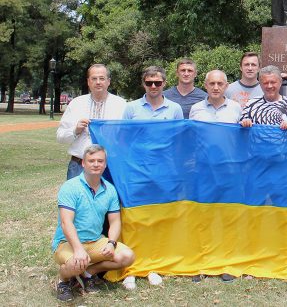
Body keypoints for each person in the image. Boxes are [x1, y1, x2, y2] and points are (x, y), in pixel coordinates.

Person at [121, 66, 182, 288]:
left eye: (157, 82)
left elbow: (177, 142)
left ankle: (154, 265)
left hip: (164, 173)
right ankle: (131, 266)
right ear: (143, 84)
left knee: (158, 219)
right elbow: (123, 141)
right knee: (134, 219)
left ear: (164, 83)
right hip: (137, 172)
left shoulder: (174, 109)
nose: (153, 86)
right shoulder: (131, 108)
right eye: (149, 83)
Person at [52, 145, 135, 301]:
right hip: (67, 243)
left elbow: (115, 221)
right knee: (78, 262)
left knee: (127, 256)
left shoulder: (110, 190)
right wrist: (77, 249)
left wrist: (111, 243)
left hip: (96, 241)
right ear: (83, 163)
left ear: (105, 164)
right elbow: (66, 222)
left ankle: (88, 273)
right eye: (91, 161)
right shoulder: (70, 187)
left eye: (100, 161)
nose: (96, 164)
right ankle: (63, 280)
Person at [188, 70, 249, 283]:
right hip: (203, 171)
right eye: (212, 83)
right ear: (205, 85)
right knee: (203, 217)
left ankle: (227, 263)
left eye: (220, 83)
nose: (216, 87)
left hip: (229, 172)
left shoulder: (236, 108)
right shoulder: (195, 109)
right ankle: (202, 263)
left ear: (226, 86)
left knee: (228, 217)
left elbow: (243, 139)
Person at [56, 64, 127, 180]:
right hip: (79, 166)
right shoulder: (76, 104)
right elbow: (60, 137)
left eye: (102, 78)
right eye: (94, 78)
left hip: (111, 167)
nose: (98, 82)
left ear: (108, 81)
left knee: (110, 198)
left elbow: (127, 139)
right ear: (88, 82)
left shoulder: (121, 105)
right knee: (76, 198)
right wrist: (75, 130)